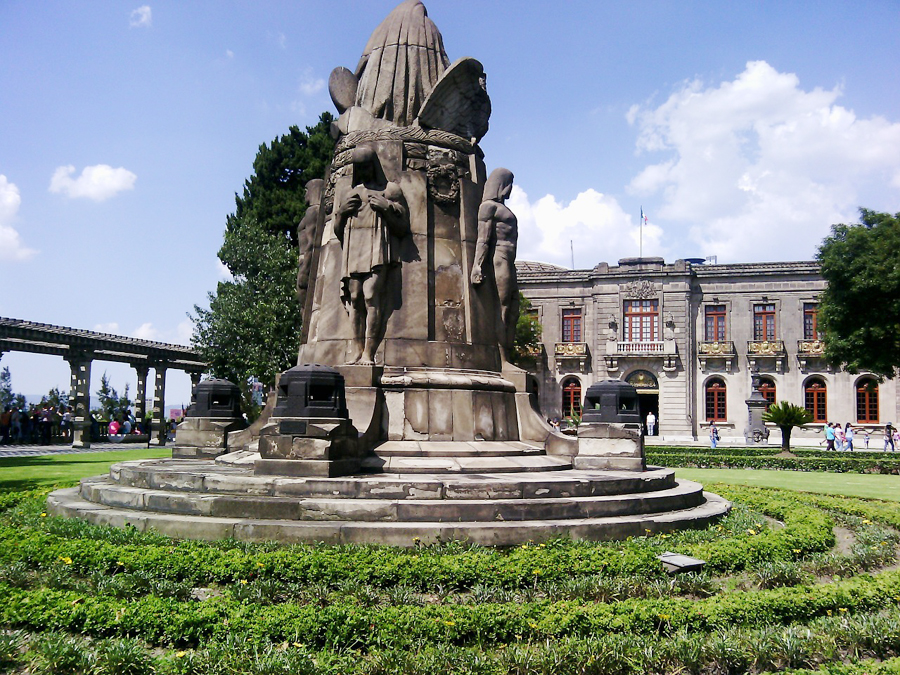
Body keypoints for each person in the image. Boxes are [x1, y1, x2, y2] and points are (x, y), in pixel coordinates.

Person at [334, 146, 409, 365]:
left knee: (370, 296)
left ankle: (369, 352)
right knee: (355, 299)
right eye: (360, 167)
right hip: (353, 248)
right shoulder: (350, 193)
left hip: (377, 247)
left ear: (374, 165)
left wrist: (387, 208)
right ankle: (357, 350)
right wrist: (341, 213)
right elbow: (338, 231)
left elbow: (402, 227)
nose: (364, 171)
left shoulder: (389, 190)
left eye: (367, 166)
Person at [471, 168, 519, 363]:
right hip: (499, 259)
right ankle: (502, 360)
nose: (511, 189)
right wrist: (477, 266)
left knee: (513, 309)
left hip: (510, 261)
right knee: (503, 307)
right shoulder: (488, 207)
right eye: (510, 183)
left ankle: (506, 355)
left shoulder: (501, 208)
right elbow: (483, 239)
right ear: (502, 184)